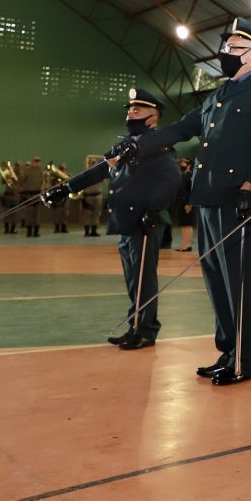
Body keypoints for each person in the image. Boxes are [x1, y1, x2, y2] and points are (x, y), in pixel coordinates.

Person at [106, 17, 251, 385]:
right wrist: (136, 145)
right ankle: (227, 351)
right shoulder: (216, 97)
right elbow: (179, 130)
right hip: (208, 199)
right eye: (225, 47)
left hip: (240, 202)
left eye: (234, 48)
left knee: (241, 283)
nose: (226, 53)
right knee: (216, 280)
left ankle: (244, 361)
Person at [47, 89, 181, 349]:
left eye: (137, 111)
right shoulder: (124, 145)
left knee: (143, 279)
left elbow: (172, 178)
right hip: (126, 220)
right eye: (130, 110)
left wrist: (154, 210)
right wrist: (66, 188)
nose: (130, 114)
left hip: (144, 220)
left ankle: (146, 331)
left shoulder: (157, 144)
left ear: (153, 118)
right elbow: (100, 170)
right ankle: (136, 327)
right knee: (134, 279)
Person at [79, 155, 106, 237]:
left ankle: (93, 231)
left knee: (96, 214)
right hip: (88, 196)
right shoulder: (85, 174)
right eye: (92, 163)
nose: (93, 164)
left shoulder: (100, 174)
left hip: (98, 195)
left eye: (94, 163)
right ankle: (87, 231)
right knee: (87, 214)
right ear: (89, 163)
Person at [172, 156, 194, 250]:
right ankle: (185, 245)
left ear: (189, 165)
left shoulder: (189, 176)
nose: (182, 164)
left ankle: (187, 245)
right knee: (184, 225)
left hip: (187, 204)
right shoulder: (183, 175)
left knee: (187, 225)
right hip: (182, 203)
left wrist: (189, 204)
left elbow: (192, 191)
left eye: (184, 163)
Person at [19, 157, 44, 237]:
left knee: (36, 214)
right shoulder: (27, 171)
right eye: (35, 161)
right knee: (29, 213)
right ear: (32, 162)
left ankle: (36, 231)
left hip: (37, 194)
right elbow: (21, 180)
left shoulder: (41, 171)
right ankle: (29, 231)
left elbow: (44, 182)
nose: (37, 163)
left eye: (38, 162)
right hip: (29, 194)